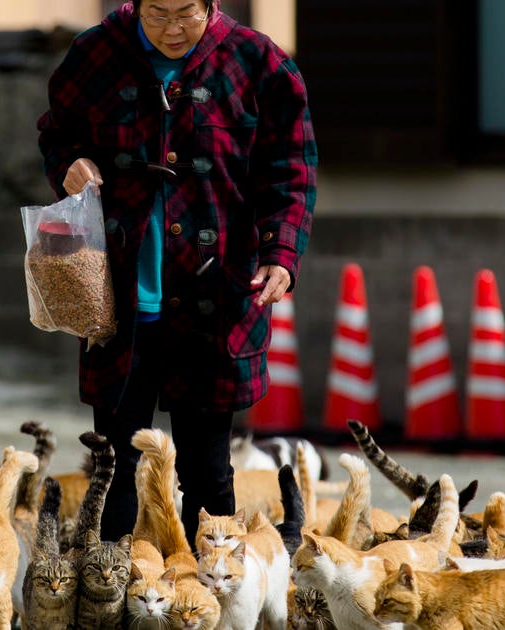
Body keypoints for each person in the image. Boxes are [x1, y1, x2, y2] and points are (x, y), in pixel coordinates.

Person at [36, 0, 317, 546]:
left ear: (212, 4)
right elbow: (56, 132)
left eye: (185, 13)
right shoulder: (95, 53)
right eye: (157, 14)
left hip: (217, 297)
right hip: (117, 300)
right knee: (112, 471)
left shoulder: (258, 62)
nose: (171, 29)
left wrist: (281, 253)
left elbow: (293, 170)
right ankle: (111, 600)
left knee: (209, 473)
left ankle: (210, 604)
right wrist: (67, 165)